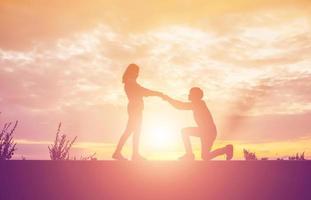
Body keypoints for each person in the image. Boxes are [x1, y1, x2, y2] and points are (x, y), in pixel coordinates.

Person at [162, 87, 233, 160]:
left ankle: (189, 155)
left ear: (195, 96)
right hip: (206, 131)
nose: (188, 95)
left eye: (190, 94)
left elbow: (180, 106)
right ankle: (226, 149)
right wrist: (168, 99)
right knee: (205, 156)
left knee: (184, 131)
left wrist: (168, 99)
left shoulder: (198, 103)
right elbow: (180, 106)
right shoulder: (198, 103)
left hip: (208, 132)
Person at [113, 64, 163, 161]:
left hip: (135, 108)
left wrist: (156, 94)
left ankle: (134, 154)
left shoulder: (130, 82)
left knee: (135, 131)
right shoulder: (130, 82)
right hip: (135, 108)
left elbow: (142, 91)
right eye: (137, 71)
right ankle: (119, 152)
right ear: (132, 71)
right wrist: (157, 93)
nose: (138, 74)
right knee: (130, 130)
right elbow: (143, 91)